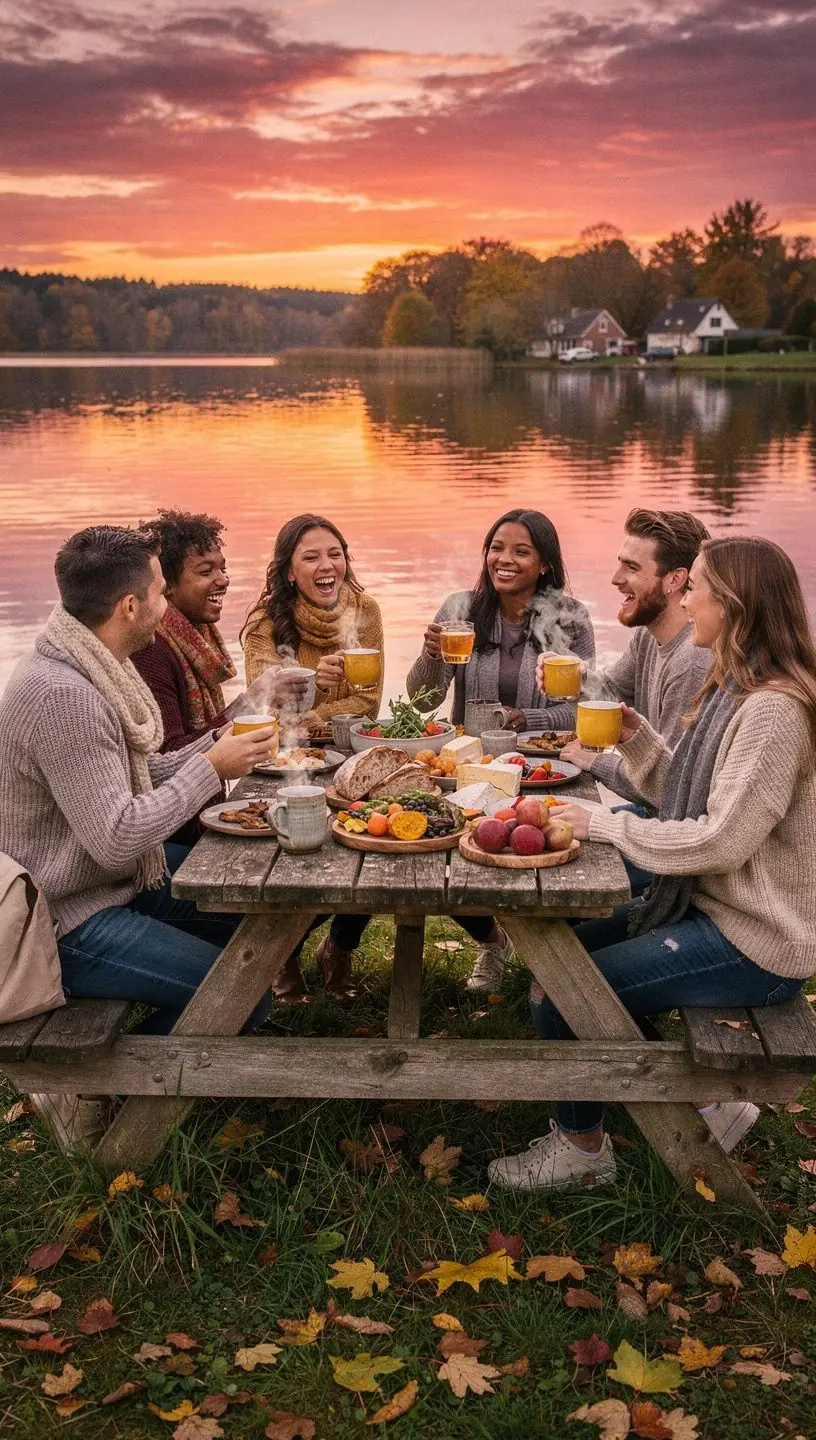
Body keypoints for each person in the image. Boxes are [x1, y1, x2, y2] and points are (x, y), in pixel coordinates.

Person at [489, 537, 816, 1192]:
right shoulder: (734, 689)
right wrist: (640, 740)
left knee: (562, 992)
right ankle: (707, 1108)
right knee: (569, 956)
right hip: (711, 909)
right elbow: (689, 801)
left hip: (755, 941)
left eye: (695, 586)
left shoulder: (772, 711)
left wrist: (605, 823)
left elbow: (721, 840)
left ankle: (582, 1153)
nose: (685, 597)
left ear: (733, 604)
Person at [0, 526, 279, 1149]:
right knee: (244, 994)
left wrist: (216, 746)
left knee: (255, 921)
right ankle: (90, 1085)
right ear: (130, 605)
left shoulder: (81, 661)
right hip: (64, 920)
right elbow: (117, 836)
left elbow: (128, 776)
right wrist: (211, 770)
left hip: (113, 883)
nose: (164, 605)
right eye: (158, 590)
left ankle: (193, 1056)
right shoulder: (63, 696)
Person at [407, 508, 596, 992]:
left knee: (556, 856)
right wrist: (430, 655)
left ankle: (551, 965)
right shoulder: (460, 609)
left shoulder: (571, 618)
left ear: (545, 564)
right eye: (496, 547)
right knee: (446, 855)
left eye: (521, 551)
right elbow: (423, 701)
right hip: (469, 768)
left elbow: (582, 710)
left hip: (544, 768)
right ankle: (493, 943)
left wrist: (524, 719)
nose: (504, 559)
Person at [242, 514, 385, 1003]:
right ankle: (283, 953)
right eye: (311, 557)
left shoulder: (365, 611)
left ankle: (340, 948)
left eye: (335, 554)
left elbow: (368, 702)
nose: (327, 566)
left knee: (368, 834)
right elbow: (263, 712)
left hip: (345, 757)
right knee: (291, 855)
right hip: (277, 762)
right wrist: (310, 687)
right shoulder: (263, 625)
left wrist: (314, 716)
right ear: (289, 571)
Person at [132, 509, 306, 842]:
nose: (223, 579)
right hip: (172, 838)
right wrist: (254, 701)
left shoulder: (193, 636)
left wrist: (257, 699)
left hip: (195, 821)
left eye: (223, 567)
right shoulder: (152, 651)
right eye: (205, 571)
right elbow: (168, 759)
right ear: (166, 586)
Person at [545, 508, 712, 804]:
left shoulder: (692, 662)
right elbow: (612, 695)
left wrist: (595, 762)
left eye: (631, 568)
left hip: (674, 830)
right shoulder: (648, 635)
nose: (615, 578)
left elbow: (672, 788)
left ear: (675, 579)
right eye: (619, 564)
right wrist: (576, 677)